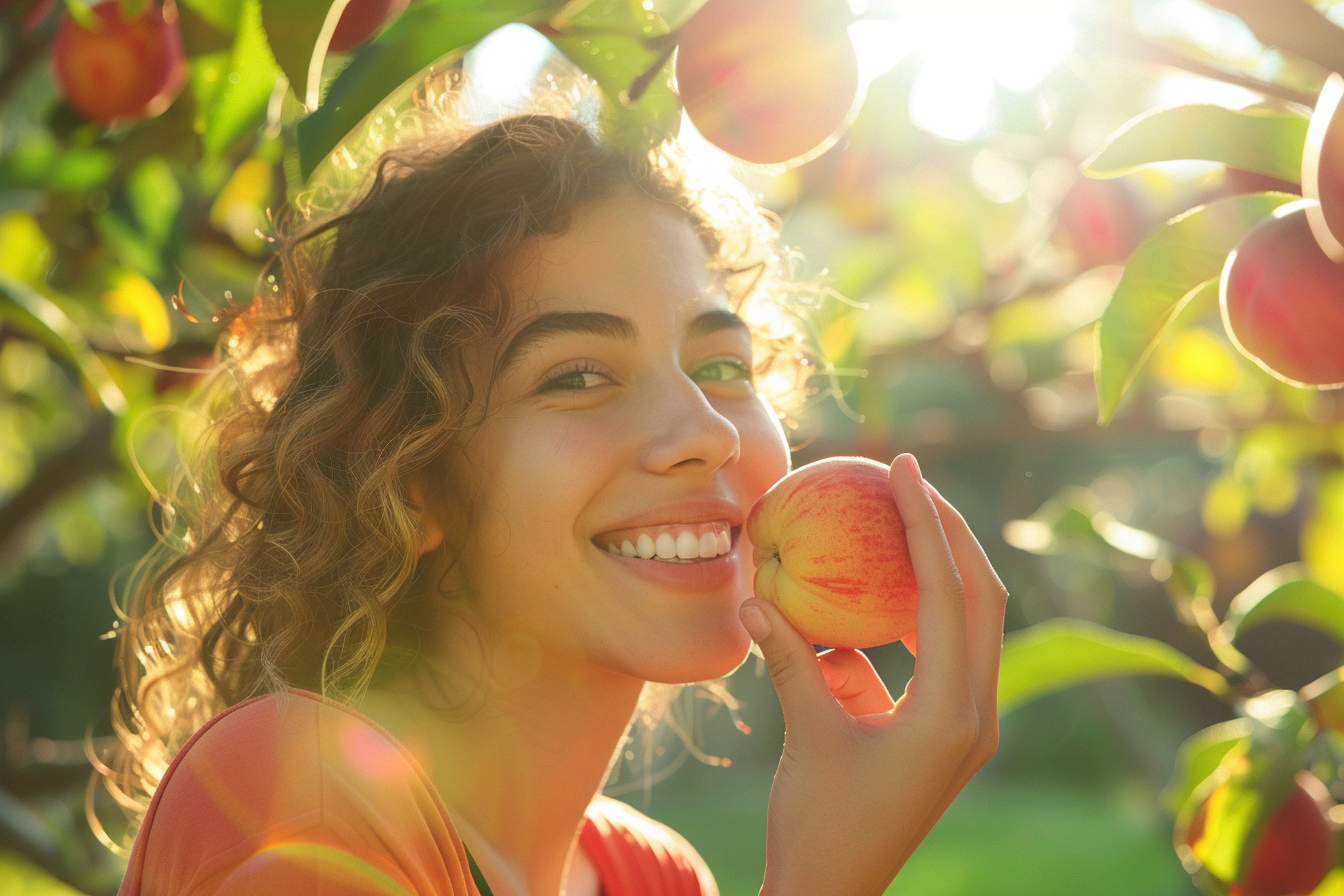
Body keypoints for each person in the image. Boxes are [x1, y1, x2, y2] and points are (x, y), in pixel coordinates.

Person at [106, 77, 1007, 896]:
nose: (709, 430)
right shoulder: (303, 802)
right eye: (577, 376)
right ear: (409, 481)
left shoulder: (657, 880)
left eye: (722, 366)